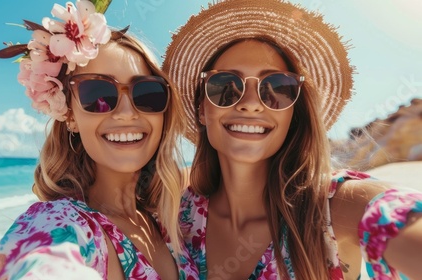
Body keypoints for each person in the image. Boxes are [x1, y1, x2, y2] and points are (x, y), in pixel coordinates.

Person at [163, 0, 422, 279]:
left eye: (277, 88)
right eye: (225, 86)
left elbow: (392, 214)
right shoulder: (174, 207)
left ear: (293, 113)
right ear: (202, 108)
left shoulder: (336, 208)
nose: (251, 104)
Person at [0, 1, 198, 279]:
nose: (127, 113)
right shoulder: (62, 224)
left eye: (147, 94)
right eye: (98, 93)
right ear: (71, 116)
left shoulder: (168, 221)